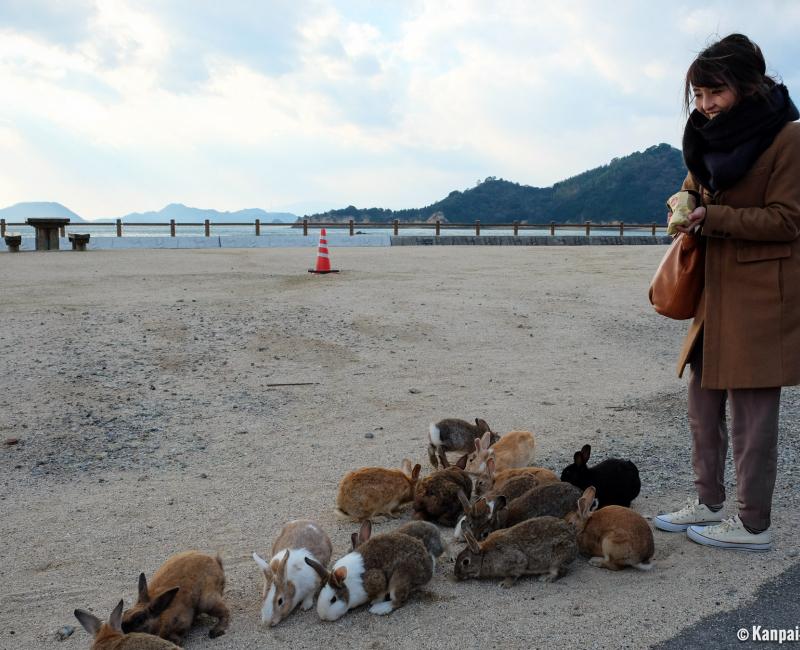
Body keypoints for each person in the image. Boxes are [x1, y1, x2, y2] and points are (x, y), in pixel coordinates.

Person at [653, 34, 800, 550]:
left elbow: (787, 220)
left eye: (714, 92)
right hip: (714, 290)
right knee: (701, 400)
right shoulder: (705, 136)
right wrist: (685, 200)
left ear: (748, 84)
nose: (704, 105)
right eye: (696, 94)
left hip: (762, 294)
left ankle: (754, 524)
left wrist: (712, 218)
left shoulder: (789, 138)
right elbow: (694, 186)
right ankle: (709, 502)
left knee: (752, 416)